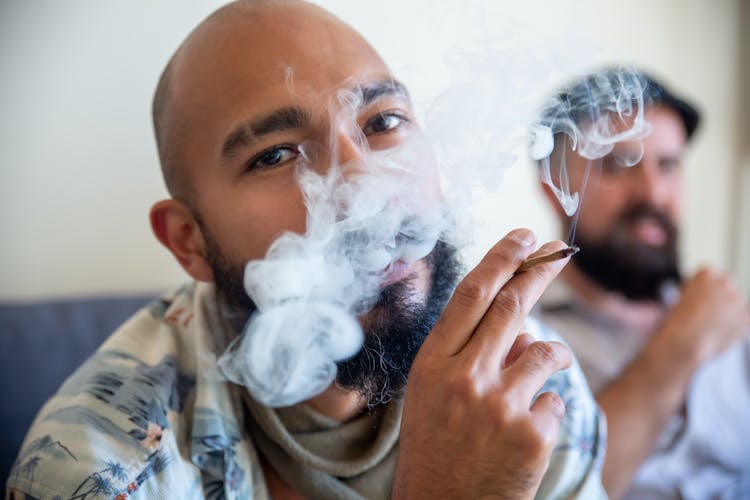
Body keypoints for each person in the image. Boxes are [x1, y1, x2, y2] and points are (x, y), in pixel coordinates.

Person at [7, 1, 607, 498]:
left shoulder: (524, 384)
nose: (365, 189)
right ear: (188, 241)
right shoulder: (95, 473)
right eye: (275, 154)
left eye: (383, 122)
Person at [533, 68, 750, 499]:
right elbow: (551, 491)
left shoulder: (729, 315)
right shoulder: (521, 340)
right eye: (619, 164)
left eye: (668, 166)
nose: (652, 192)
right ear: (555, 186)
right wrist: (680, 346)